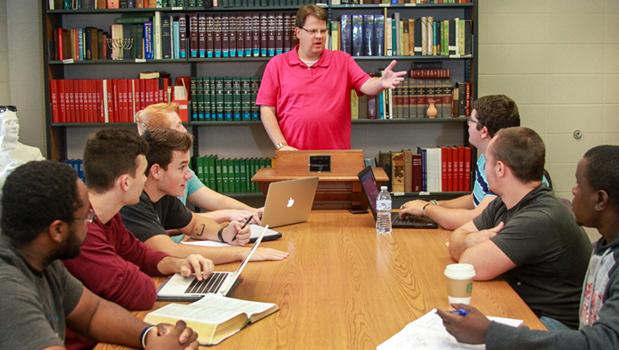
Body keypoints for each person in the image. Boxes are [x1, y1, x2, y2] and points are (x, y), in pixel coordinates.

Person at [437, 145, 619, 349]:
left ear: (600, 200)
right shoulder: (608, 245)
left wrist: (490, 332)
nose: (573, 190)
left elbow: (607, 343)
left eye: (579, 185)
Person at [0, 160, 198, 350]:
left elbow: (92, 312)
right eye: (86, 216)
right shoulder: (8, 289)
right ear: (57, 230)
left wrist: (150, 336)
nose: (91, 224)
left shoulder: (42, 257)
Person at [62, 129, 215, 349]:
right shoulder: (84, 231)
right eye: (143, 173)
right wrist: (136, 270)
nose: (145, 181)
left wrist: (178, 263)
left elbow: (140, 254)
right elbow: (138, 292)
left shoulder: (109, 217)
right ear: (125, 182)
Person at [447, 127, 591, 329]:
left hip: (552, 325)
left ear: (499, 169)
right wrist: (469, 241)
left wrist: (467, 245)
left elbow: (470, 264)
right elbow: (456, 238)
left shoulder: (538, 218)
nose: (484, 169)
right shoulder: (503, 202)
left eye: (486, 162)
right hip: (523, 304)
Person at [120, 128, 288, 263]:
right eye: (182, 167)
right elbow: (170, 252)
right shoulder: (133, 202)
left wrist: (224, 233)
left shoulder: (163, 195)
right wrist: (242, 253)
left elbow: (193, 224)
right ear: (156, 171)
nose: (188, 175)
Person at [256, 4, 406, 151]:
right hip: (293, 155)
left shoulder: (342, 60)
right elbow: (267, 110)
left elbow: (366, 85)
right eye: (313, 31)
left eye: (323, 31)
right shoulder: (277, 65)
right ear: (297, 32)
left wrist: (381, 82)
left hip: (336, 156)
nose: (319, 36)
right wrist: (281, 146)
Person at [399, 95, 522, 230]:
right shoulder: (485, 159)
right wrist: (434, 205)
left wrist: (425, 209)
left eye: (471, 120)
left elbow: (476, 218)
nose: (467, 123)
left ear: (484, 131)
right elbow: (474, 200)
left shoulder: (504, 170)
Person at [135, 102, 262, 224]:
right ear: (161, 135)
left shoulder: (182, 172)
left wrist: (253, 212)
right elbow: (179, 223)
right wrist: (229, 215)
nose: (185, 130)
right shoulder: (150, 185)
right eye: (178, 125)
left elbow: (215, 201)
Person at [0, 105, 44, 187]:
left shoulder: (34, 153)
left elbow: (45, 180)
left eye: (16, 122)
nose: (14, 126)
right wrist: (5, 176)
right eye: (8, 123)